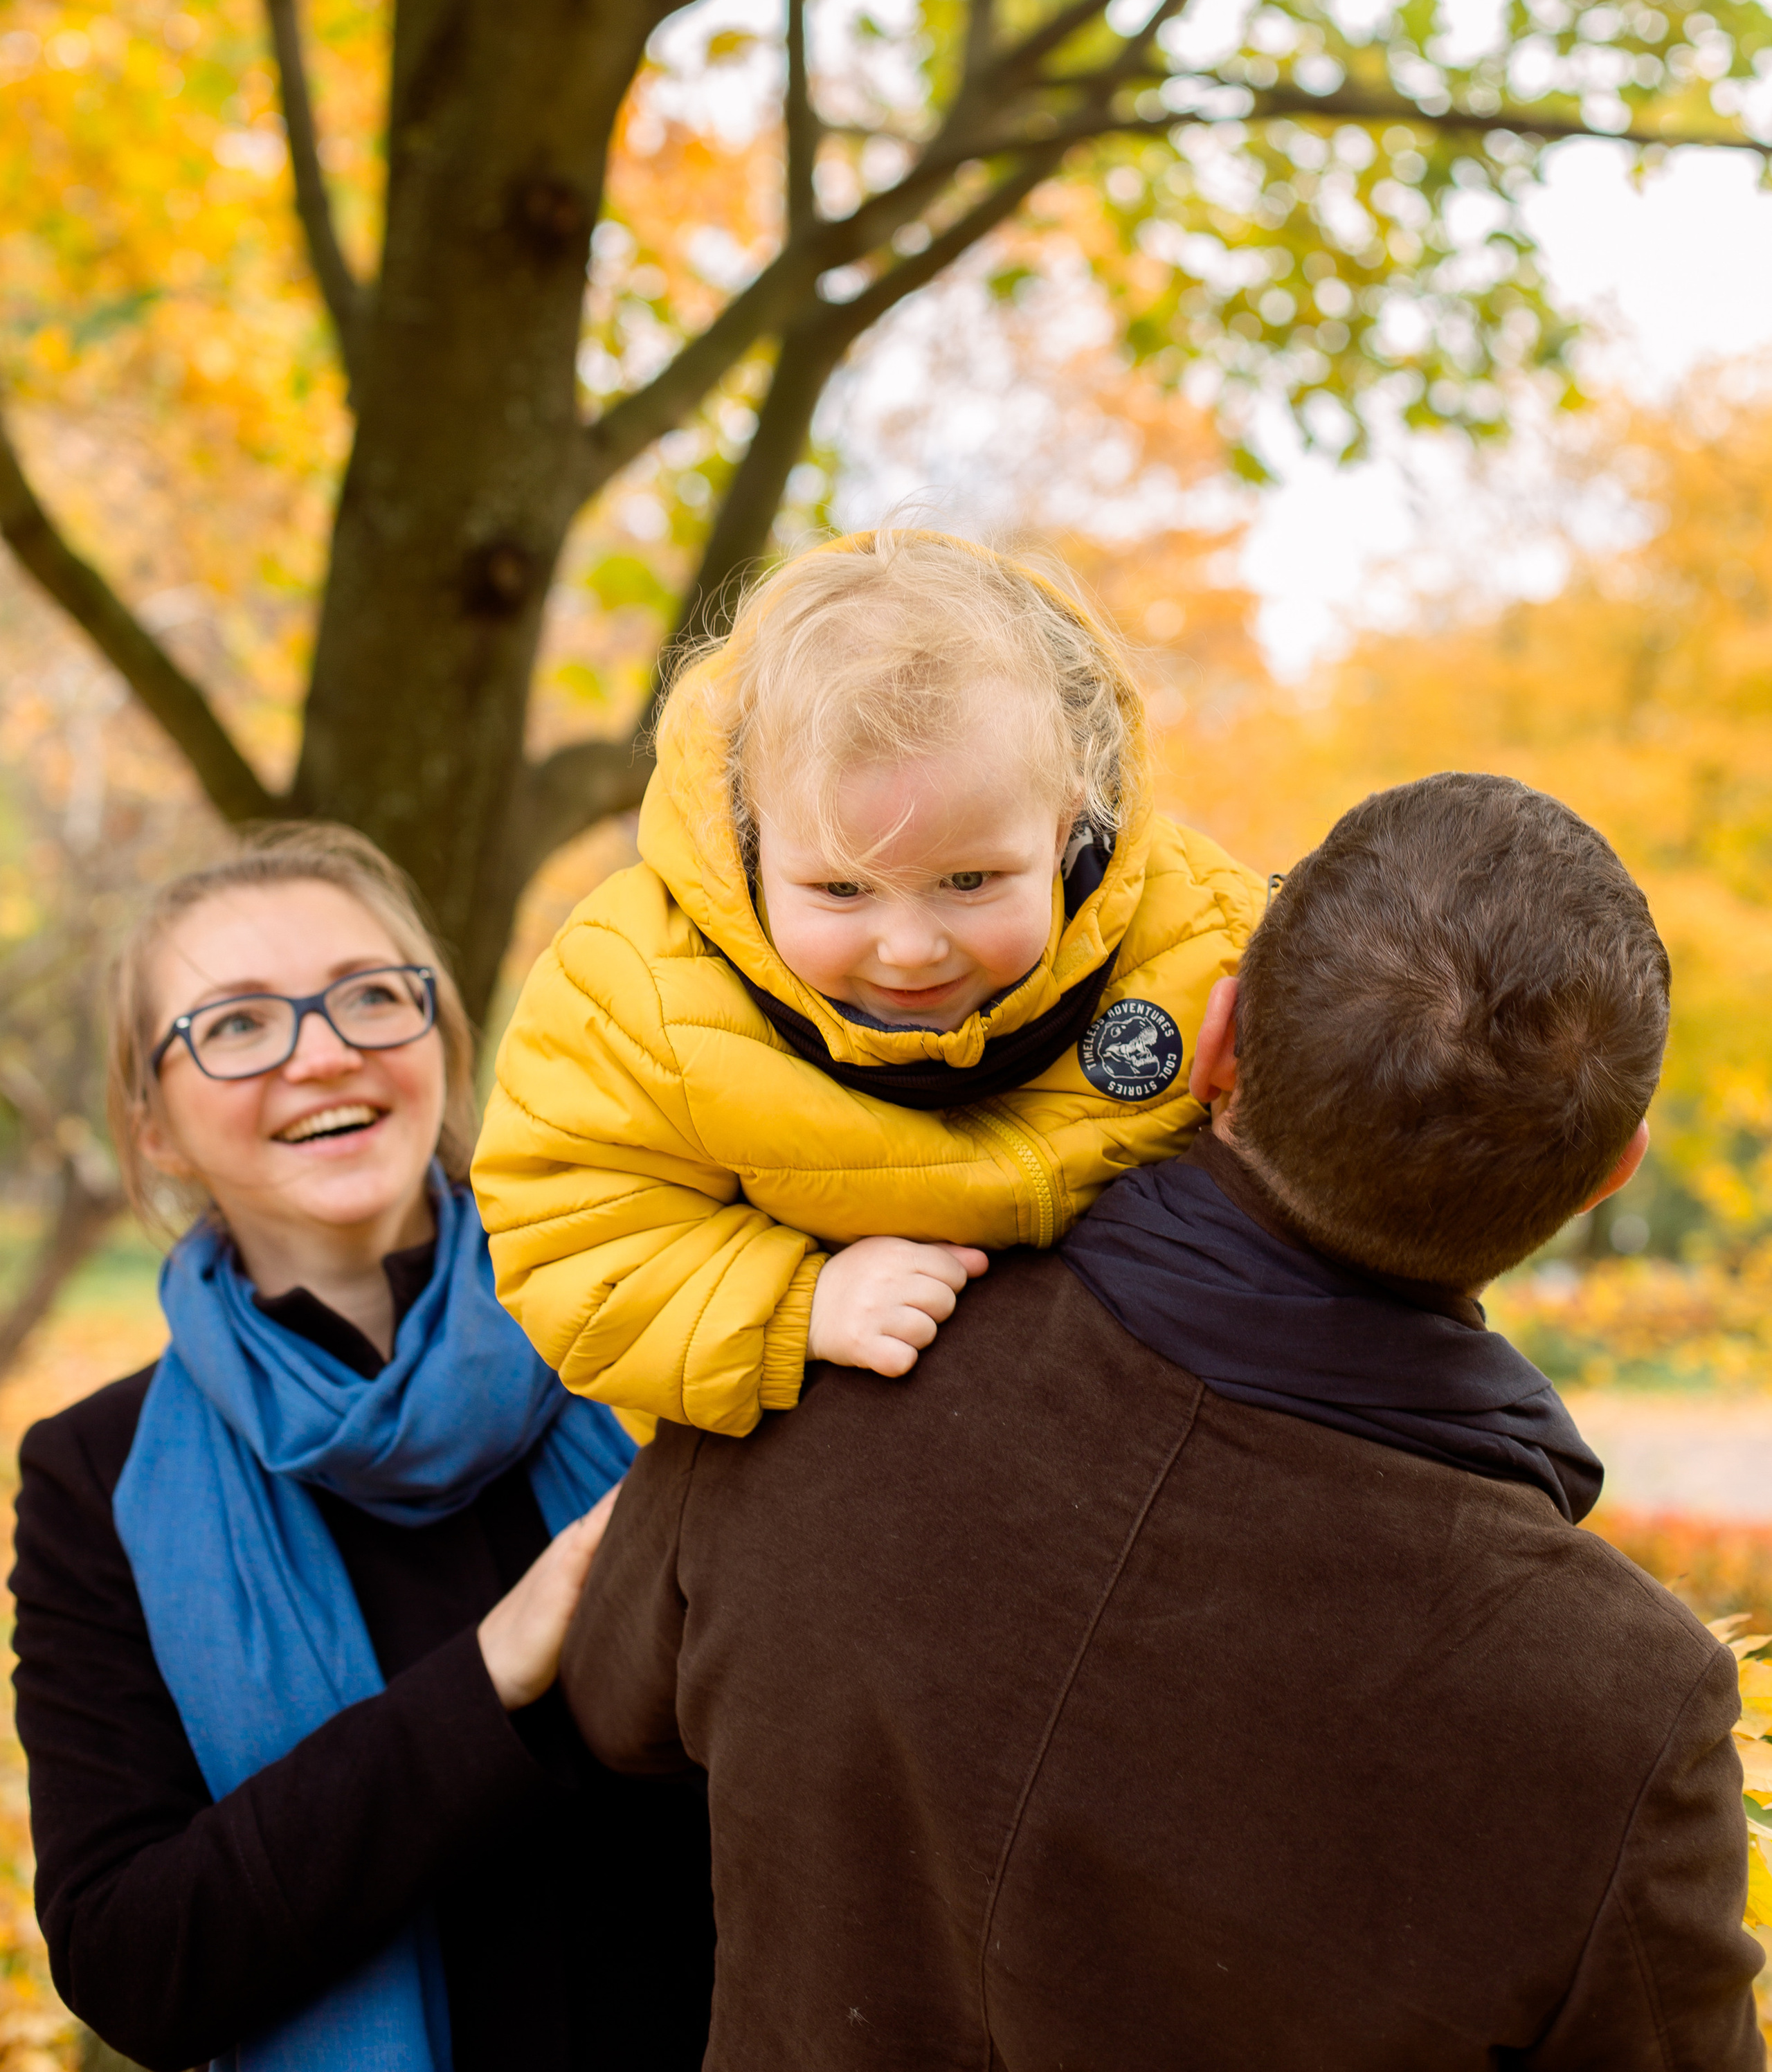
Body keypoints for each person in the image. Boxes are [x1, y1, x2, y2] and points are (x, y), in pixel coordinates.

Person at [563, 772, 1764, 2071]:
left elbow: (609, 1707)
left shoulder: (826, 1349)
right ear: (1608, 1174)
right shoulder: (1619, 1707)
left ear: (1219, 1039)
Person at [10, 823, 715, 2072]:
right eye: (233, 1024)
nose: (323, 1051)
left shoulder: (664, 1335)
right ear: (156, 1123)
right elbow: (133, 1960)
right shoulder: (95, 1475)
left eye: (371, 997)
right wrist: (493, 1669)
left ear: (443, 1045)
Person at [474, 528, 1262, 1435]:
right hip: (821, 1465)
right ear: (750, 839)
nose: (910, 946)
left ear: (1065, 823)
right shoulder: (636, 994)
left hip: (1147, 1421)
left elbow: (1341, 1132)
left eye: (969, 882)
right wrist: (798, 1303)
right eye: (842, 889)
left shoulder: (1208, 937)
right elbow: (576, 1249)